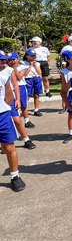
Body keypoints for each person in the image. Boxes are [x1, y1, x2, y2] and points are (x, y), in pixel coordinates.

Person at [0, 51, 26, 192]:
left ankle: (14, 176)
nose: (2, 63)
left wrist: (4, 106)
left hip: (2, 116)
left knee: (9, 147)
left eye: (3, 60)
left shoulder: (4, 75)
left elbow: (9, 96)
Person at [4, 53, 36, 149]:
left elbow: (15, 84)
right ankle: (4, 144)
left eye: (3, 60)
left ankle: (27, 140)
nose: (11, 61)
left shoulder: (9, 70)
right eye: (9, 60)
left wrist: (17, 99)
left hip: (9, 98)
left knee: (17, 120)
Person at [60, 51, 72, 143]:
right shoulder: (64, 72)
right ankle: (71, 133)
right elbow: (63, 87)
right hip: (71, 93)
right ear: (67, 60)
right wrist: (64, 101)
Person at [24, 49, 43, 116]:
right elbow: (25, 74)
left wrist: (35, 65)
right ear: (27, 56)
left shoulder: (37, 63)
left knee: (37, 94)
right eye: (31, 56)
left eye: (34, 56)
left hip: (36, 78)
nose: (33, 57)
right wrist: (30, 65)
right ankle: (24, 109)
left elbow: (39, 72)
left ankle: (36, 109)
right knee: (27, 95)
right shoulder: (23, 63)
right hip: (28, 79)